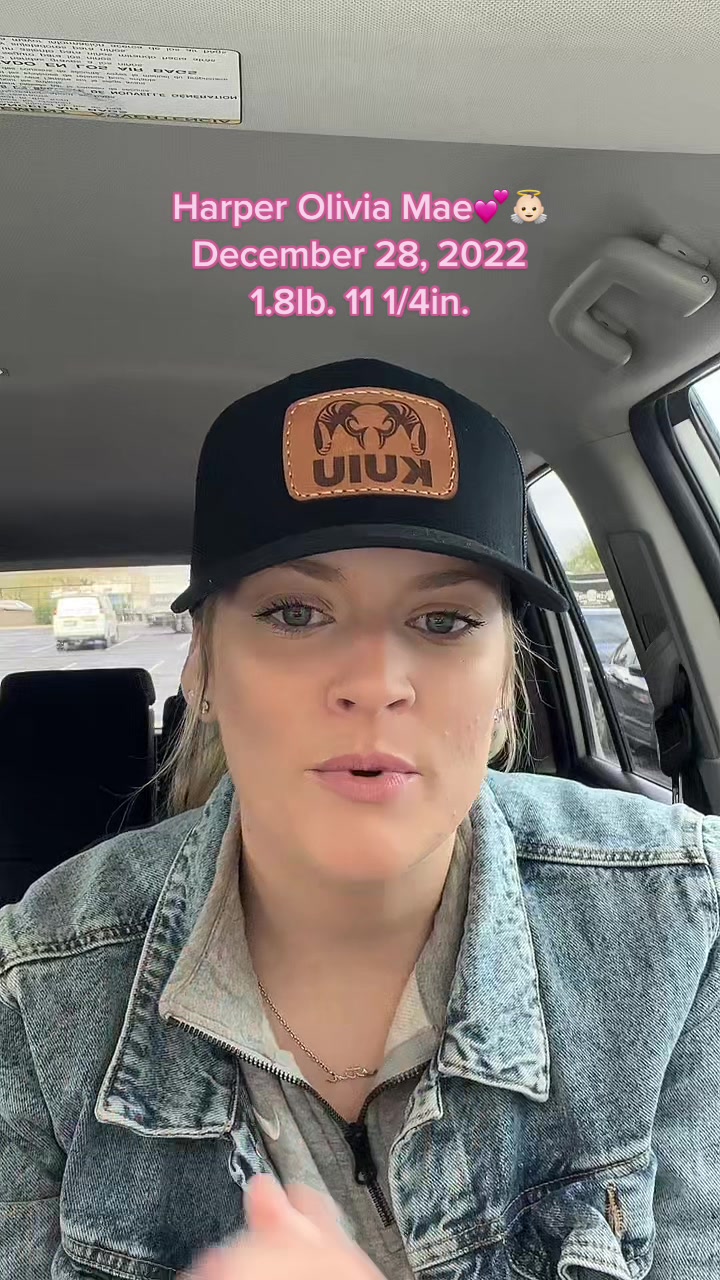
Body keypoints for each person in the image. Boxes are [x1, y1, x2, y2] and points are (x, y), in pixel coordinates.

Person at [0, 357, 718, 1280]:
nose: (376, 684)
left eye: (444, 621)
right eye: (296, 614)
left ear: (507, 684)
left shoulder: (684, 924)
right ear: (203, 669)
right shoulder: (35, 990)